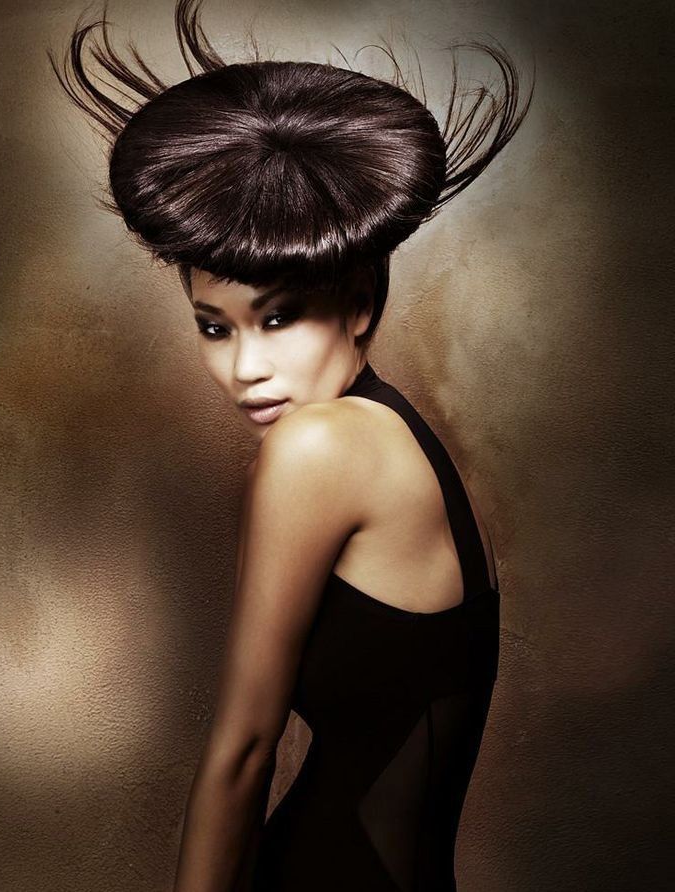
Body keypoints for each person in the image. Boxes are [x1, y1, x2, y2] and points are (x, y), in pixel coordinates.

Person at [49, 1, 535, 889]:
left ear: (360, 303)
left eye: (278, 318)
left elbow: (243, 751)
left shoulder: (318, 447)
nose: (245, 369)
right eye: (214, 326)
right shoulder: (411, 441)